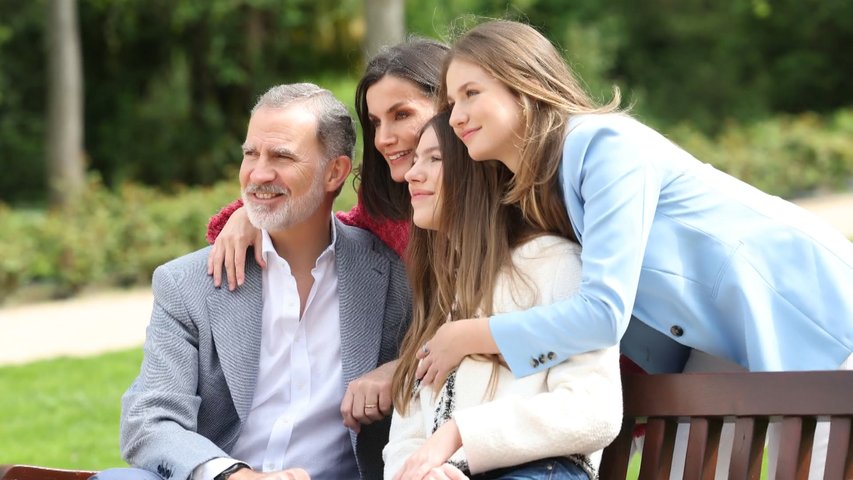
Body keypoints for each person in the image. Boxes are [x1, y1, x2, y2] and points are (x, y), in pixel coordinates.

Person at [414, 19, 853, 478]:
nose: (456, 115)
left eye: (471, 93)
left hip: (807, 308)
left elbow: (603, 313)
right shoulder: (542, 185)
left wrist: (468, 335)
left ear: (524, 84)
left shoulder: (601, 145)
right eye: (450, 102)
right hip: (717, 342)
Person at [93, 83, 412, 480]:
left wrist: (399, 369)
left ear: (336, 172)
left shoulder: (390, 275)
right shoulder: (186, 284)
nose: (258, 174)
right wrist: (234, 476)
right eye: (250, 154)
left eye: (281, 156)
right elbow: (150, 420)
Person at [203, 39, 449, 434]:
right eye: (375, 123)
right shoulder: (390, 209)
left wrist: (400, 368)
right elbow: (328, 224)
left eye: (401, 114)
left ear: (451, 106)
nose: (384, 137)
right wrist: (249, 214)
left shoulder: (506, 207)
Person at [384, 112, 621, 480]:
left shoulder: (552, 263)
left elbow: (594, 411)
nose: (413, 174)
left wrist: (462, 433)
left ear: (478, 172)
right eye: (415, 160)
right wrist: (417, 472)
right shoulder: (444, 294)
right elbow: (408, 430)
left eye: (434, 159)